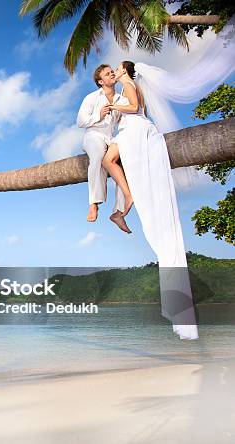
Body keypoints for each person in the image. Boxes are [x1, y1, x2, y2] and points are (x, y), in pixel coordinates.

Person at [103, 61, 198, 340]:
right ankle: (127, 198)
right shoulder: (129, 86)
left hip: (135, 133)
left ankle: (128, 196)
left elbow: (133, 109)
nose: (116, 72)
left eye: (119, 68)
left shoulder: (130, 85)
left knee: (111, 161)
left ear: (127, 71)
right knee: (109, 160)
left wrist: (113, 108)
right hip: (130, 133)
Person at [76, 64, 132, 233]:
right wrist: (98, 116)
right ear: (101, 81)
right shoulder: (92, 98)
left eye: (112, 72)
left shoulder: (121, 100)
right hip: (93, 135)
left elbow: (130, 114)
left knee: (124, 166)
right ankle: (94, 202)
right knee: (99, 156)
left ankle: (118, 212)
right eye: (108, 74)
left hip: (112, 138)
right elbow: (80, 122)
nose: (112, 75)